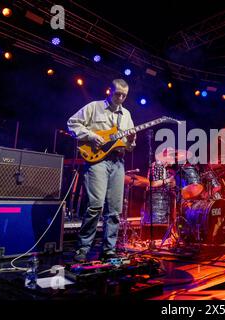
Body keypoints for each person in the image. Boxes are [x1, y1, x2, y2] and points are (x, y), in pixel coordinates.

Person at [67, 78, 137, 262]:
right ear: (110, 91)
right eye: (117, 94)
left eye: (124, 95)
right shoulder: (94, 107)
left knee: (114, 210)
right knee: (95, 206)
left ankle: (109, 250)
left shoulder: (127, 115)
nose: (120, 98)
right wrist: (91, 136)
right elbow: (72, 123)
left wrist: (130, 140)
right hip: (97, 161)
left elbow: (130, 146)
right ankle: (82, 249)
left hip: (118, 163)